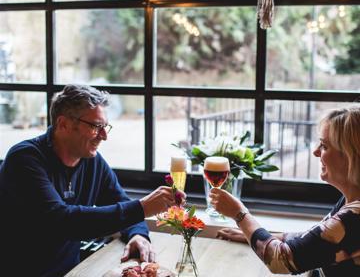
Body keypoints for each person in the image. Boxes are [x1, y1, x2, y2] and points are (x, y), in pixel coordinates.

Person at [0, 84, 184, 277]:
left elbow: (120, 201)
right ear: (63, 124)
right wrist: (142, 208)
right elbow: (61, 221)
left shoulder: (91, 160)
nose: (104, 136)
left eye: (105, 127)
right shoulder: (24, 159)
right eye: (96, 126)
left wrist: (138, 233)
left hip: (73, 272)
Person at [210, 106, 360, 276]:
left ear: (351, 157)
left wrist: (240, 214)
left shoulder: (355, 216)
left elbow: (280, 261)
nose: (316, 152)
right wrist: (255, 237)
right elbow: (315, 239)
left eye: (324, 146)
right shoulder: (350, 201)